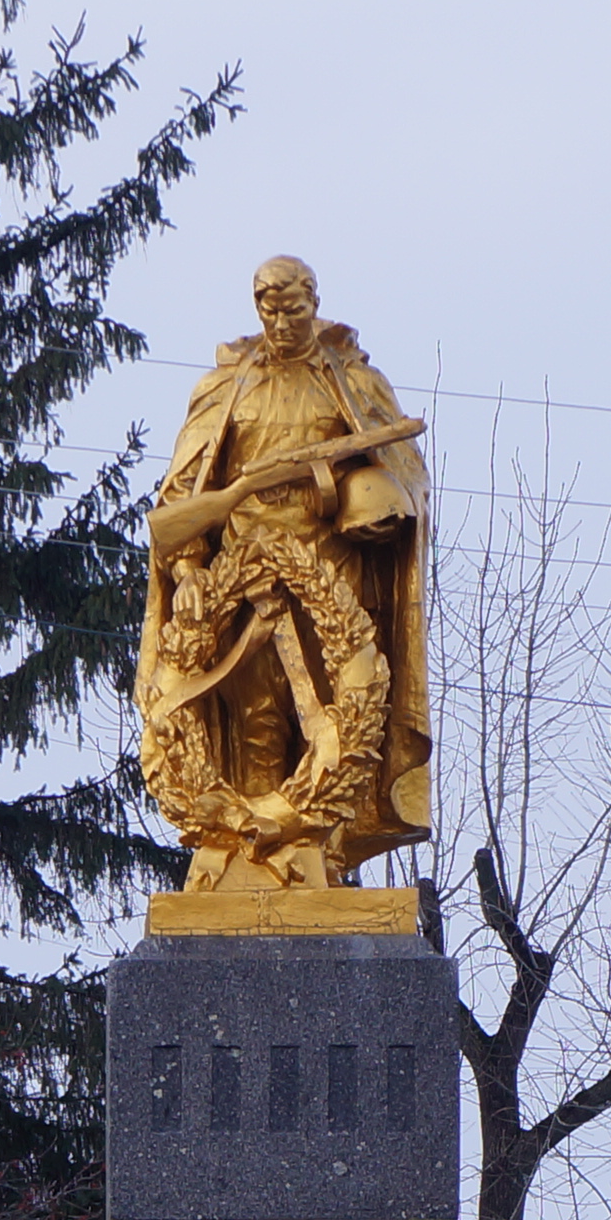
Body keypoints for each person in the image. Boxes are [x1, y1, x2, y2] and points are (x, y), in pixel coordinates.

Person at [135, 255, 435, 894]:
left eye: (292, 308)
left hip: (333, 581)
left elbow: (401, 473)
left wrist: (362, 498)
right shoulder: (228, 387)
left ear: (314, 303)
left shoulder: (351, 381)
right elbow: (183, 497)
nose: (279, 321)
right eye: (267, 308)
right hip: (240, 585)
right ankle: (249, 857)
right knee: (256, 721)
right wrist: (190, 569)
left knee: (332, 718)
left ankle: (317, 857)